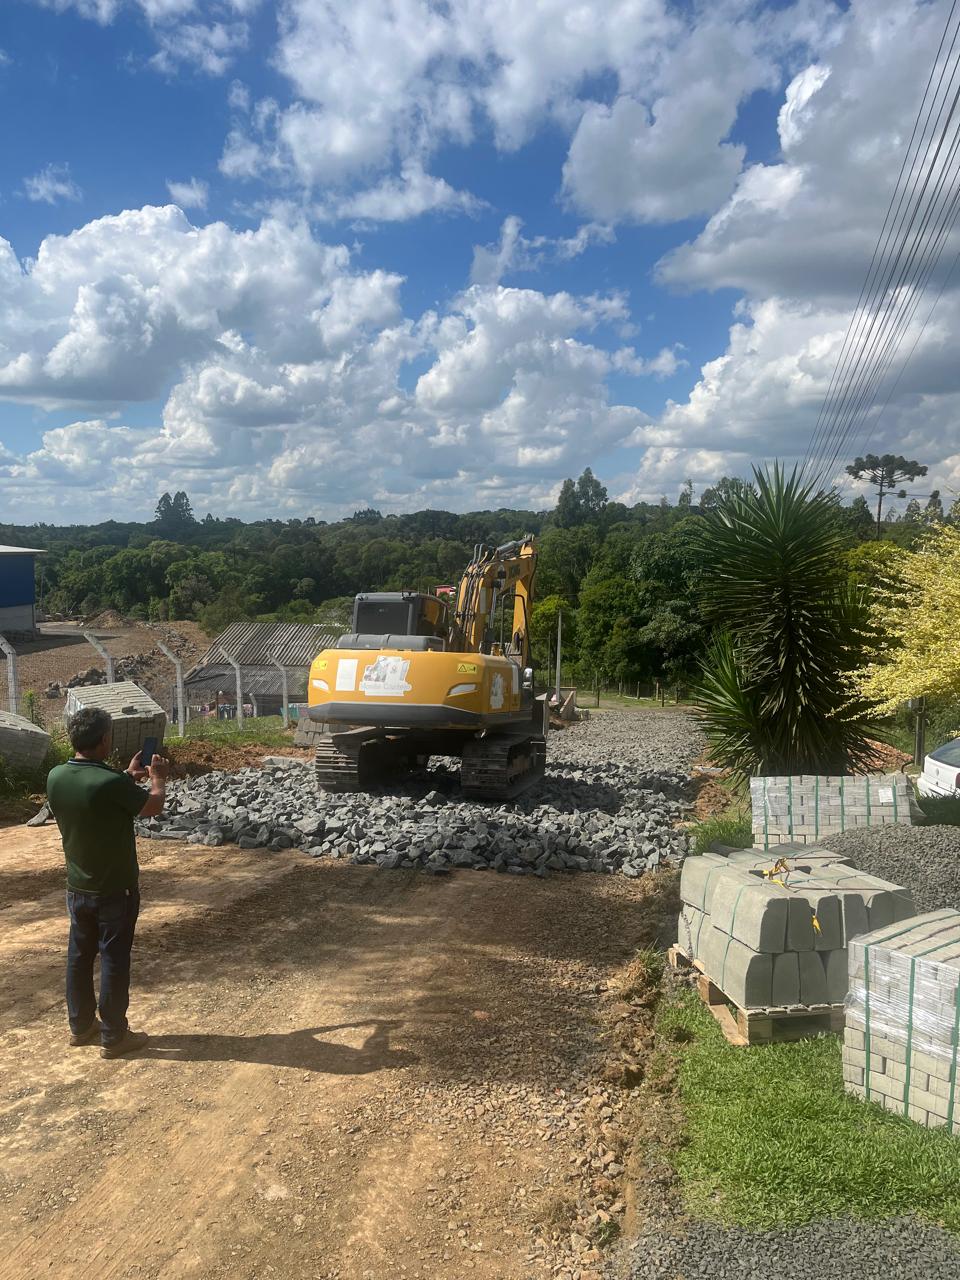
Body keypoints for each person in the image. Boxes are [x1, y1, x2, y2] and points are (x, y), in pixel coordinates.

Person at [47, 708, 170, 1059]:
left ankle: (81, 1026)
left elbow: (94, 790)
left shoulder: (56, 776)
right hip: (116, 888)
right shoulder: (111, 783)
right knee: (114, 959)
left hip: (77, 888)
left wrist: (125, 776)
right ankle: (114, 1035)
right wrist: (157, 778)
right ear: (104, 739)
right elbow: (152, 806)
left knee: (79, 956)